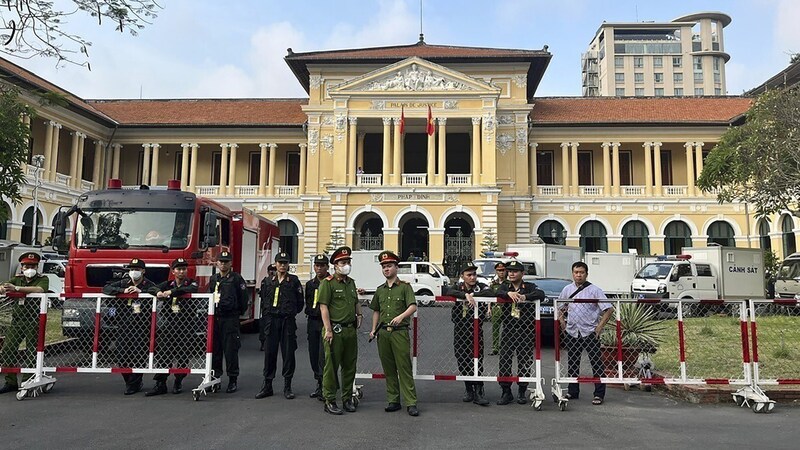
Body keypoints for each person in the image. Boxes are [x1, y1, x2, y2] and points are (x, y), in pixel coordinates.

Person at [369, 251, 419, 417]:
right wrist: (373, 329)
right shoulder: (380, 290)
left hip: (399, 333)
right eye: (384, 267)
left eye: (389, 266)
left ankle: (411, 402)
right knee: (388, 368)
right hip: (383, 333)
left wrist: (401, 316)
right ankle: (393, 400)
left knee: (404, 367)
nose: (386, 269)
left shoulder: (405, 287)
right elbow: (376, 310)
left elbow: (413, 306)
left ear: (397, 267)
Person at [558, 261, 614, 405]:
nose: (578, 275)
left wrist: (599, 327)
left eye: (581, 272)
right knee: (573, 363)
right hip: (572, 331)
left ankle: (599, 394)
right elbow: (560, 307)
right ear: (572, 273)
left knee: (596, 363)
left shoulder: (595, 290)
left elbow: (608, 309)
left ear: (586, 274)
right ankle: (573, 391)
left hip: (590, 332)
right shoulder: (567, 289)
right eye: (576, 272)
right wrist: (562, 322)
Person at [318, 246, 363, 415]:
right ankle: (329, 399)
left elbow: (355, 301)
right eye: (343, 262)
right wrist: (328, 330)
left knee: (349, 366)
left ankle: (347, 399)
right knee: (331, 367)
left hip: (350, 330)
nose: (346, 265)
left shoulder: (351, 283)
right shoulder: (327, 284)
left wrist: (359, 314)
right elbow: (324, 308)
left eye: (348, 262)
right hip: (334, 330)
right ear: (335, 265)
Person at [102, 258, 157, 395]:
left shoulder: (149, 284)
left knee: (139, 356)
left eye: (137, 270)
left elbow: (156, 291)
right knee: (122, 357)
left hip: (142, 326)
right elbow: (106, 288)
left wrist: (141, 292)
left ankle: (134, 383)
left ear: (143, 271)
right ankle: (129, 381)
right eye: (132, 269)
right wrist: (123, 290)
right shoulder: (124, 282)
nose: (134, 272)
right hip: (124, 326)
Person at [145, 258, 198, 396]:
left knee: (182, 355)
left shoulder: (190, 282)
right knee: (164, 354)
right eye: (179, 269)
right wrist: (158, 292)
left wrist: (171, 292)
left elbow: (191, 289)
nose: (181, 271)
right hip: (169, 324)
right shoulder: (168, 284)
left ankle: (178, 381)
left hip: (185, 325)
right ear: (173, 271)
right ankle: (160, 383)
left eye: (184, 269)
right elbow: (151, 287)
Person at [496, 261, 545, 405]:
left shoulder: (528, 287)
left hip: (525, 330)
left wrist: (526, 297)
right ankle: (506, 392)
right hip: (509, 329)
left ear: (522, 274)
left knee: (524, 361)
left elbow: (541, 294)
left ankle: (522, 391)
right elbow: (496, 292)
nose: (511, 273)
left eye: (515, 271)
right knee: (504, 361)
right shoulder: (505, 286)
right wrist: (507, 293)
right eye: (509, 271)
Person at [256, 252, 304, 400]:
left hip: (287, 321)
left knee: (288, 354)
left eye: (285, 262)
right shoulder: (268, 281)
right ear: (275, 264)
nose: (282, 265)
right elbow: (263, 300)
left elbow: (300, 302)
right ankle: (267, 385)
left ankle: (287, 386)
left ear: (288, 264)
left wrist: (289, 312)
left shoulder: (293, 281)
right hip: (271, 321)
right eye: (280, 262)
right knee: (269, 353)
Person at [0, 253, 49, 394]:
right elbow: (4, 286)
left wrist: (17, 289)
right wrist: (3, 288)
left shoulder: (42, 279)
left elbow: (40, 290)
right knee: (8, 349)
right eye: (26, 266)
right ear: (21, 267)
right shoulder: (17, 279)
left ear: (37, 266)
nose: (29, 268)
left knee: (32, 351)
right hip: (17, 320)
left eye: (32, 266)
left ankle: (28, 380)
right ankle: (10, 381)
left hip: (34, 320)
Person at [444, 264, 491, 406]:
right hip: (460, 329)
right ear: (462, 276)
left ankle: (479, 390)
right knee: (462, 359)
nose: (472, 277)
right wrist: (464, 295)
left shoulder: (481, 287)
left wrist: (473, 296)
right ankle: (468, 388)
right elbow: (447, 291)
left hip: (476, 329)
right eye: (469, 275)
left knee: (476, 360)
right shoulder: (458, 287)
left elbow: (490, 293)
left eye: (474, 274)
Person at [209, 251, 248, 393]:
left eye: (226, 261)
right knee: (215, 351)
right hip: (216, 319)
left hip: (230, 319)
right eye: (221, 261)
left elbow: (244, 300)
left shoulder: (237, 279)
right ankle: (216, 379)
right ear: (217, 263)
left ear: (231, 263)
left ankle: (232, 380)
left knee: (231, 350)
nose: (223, 264)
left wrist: (237, 313)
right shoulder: (214, 279)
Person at [305, 253, 330, 400]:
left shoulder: (330, 282)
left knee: (323, 355)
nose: (319, 268)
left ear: (327, 267)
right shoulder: (310, 284)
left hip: (324, 322)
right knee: (313, 353)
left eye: (322, 265)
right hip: (312, 321)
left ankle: (324, 386)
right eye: (317, 265)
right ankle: (318, 382)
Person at [259, 264, 279, 351]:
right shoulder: (265, 281)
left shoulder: (280, 281)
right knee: (264, 326)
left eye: (274, 270)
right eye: (270, 270)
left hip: (278, 309)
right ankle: (263, 343)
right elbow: (263, 295)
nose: (272, 272)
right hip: (266, 308)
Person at [489, 262, 507, 355]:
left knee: (507, 329)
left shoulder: (508, 283)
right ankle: (495, 347)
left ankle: (504, 347)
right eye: (499, 270)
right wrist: (489, 308)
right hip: (496, 308)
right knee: (495, 329)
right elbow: (490, 297)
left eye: (503, 270)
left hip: (506, 308)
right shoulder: (493, 284)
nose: (501, 272)